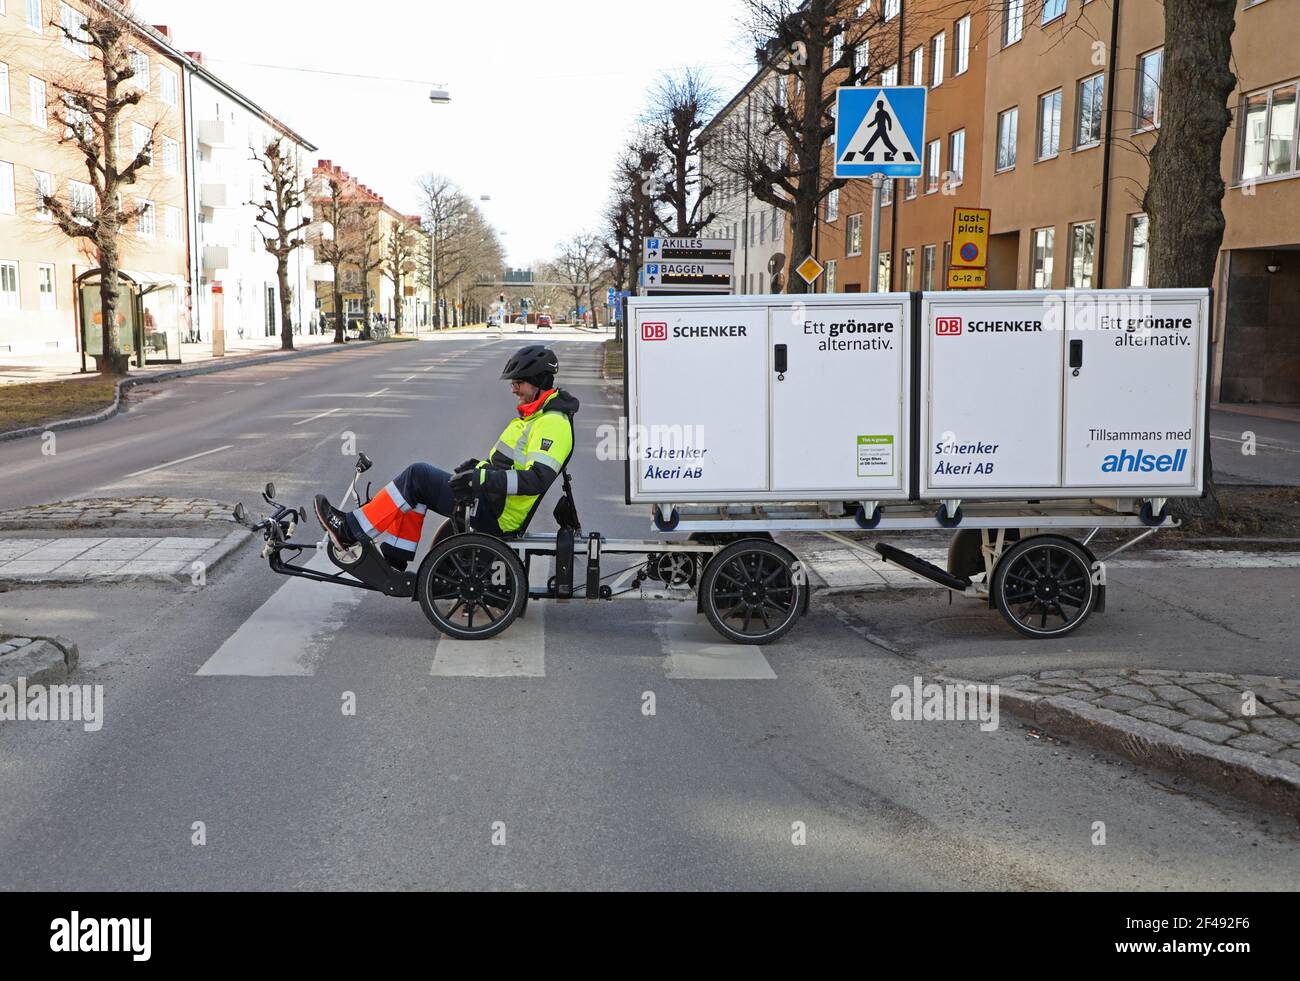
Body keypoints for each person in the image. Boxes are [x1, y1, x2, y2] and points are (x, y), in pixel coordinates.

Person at [315, 346, 579, 569]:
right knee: (415, 491)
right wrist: (476, 468)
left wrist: (481, 478)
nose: (513, 390)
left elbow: (535, 480)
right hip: (491, 502)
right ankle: (395, 556)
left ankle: (349, 531)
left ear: (539, 382)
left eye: (518, 383)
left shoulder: (552, 424)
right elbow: (508, 465)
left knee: (418, 475)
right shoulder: (534, 416)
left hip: (498, 513)